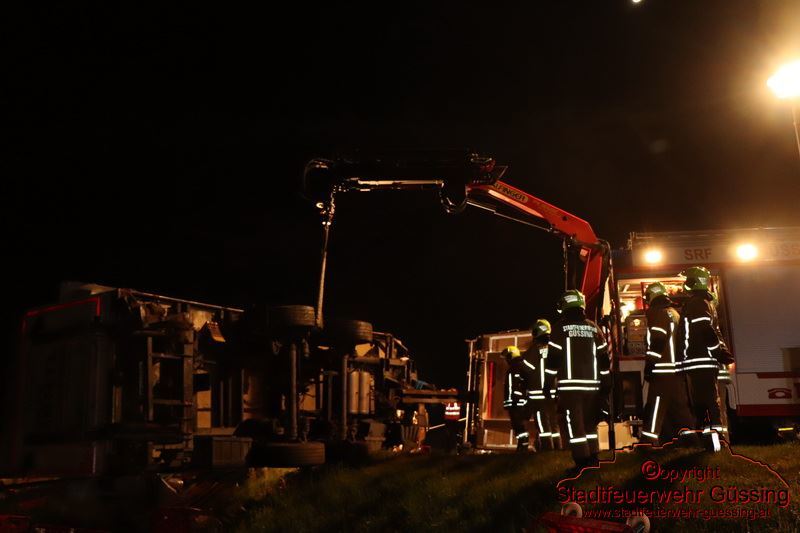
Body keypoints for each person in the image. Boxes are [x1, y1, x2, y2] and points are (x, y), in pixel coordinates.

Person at [545, 290, 609, 469]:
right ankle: (594, 457)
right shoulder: (594, 328)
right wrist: (606, 382)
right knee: (590, 424)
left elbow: (553, 361)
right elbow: (604, 359)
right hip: (593, 387)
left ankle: (582, 461)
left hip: (570, 388)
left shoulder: (559, 329)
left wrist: (548, 384)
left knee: (575, 425)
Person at [678, 266, 734, 451]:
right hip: (702, 361)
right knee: (706, 403)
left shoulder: (697, 303)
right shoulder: (704, 302)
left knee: (707, 403)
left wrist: (717, 352)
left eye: (687, 280)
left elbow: (706, 331)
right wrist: (721, 353)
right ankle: (710, 442)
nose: (684, 284)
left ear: (694, 282)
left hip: (699, 361)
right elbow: (714, 332)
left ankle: (715, 443)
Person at [640, 282, 694, 444]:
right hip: (676, 371)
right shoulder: (674, 313)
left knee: (655, 406)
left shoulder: (657, 313)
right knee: (679, 408)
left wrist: (650, 365)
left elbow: (657, 340)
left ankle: (648, 442)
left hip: (662, 371)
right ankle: (690, 440)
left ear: (651, 297)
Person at [523, 319, 562, 450]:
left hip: (538, 396)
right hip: (553, 395)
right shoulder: (554, 347)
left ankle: (547, 450)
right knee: (554, 425)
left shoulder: (535, 349)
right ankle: (557, 448)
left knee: (543, 425)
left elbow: (526, 368)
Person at [502, 345, 535, 452]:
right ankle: (521, 447)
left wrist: (522, 398)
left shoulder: (519, 366)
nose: (506, 359)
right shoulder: (515, 367)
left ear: (511, 356)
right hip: (515, 402)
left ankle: (523, 448)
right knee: (517, 426)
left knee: (520, 426)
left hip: (519, 403)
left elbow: (526, 383)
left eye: (507, 357)